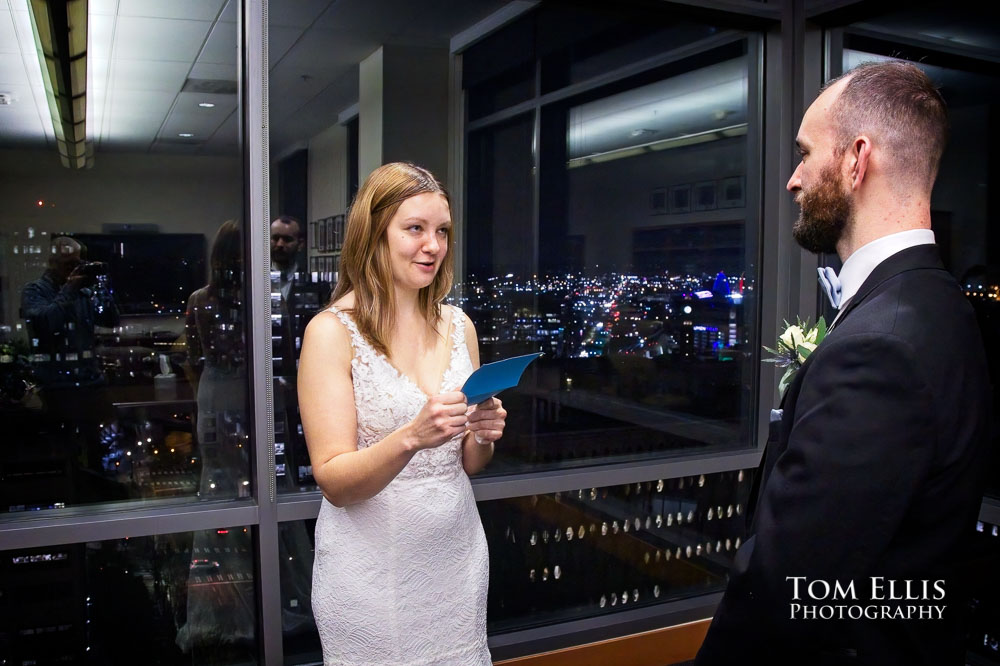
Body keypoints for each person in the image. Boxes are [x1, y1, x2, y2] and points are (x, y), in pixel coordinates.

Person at [696, 62, 991, 665]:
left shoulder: (881, 347)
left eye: (806, 154)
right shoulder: (943, 307)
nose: (793, 180)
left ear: (856, 160)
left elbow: (789, 589)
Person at [298, 162, 505, 665]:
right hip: (371, 569)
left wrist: (484, 434)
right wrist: (411, 437)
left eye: (442, 232)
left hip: (456, 558)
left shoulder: (460, 326)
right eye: (415, 229)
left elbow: (469, 464)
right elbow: (335, 482)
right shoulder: (331, 332)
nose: (433, 245)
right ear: (374, 235)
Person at [21, 236, 120, 479]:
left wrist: (101, 287)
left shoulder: (84, 292)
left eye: (77, 263)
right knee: (64, 456)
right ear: (51, 262)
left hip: (91, 384)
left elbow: (111, 321)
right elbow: (45, 325)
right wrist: (69, 289)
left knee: (104, 450)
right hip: (56, 388)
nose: (72, 269)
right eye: (67, 264)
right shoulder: (35, 291)